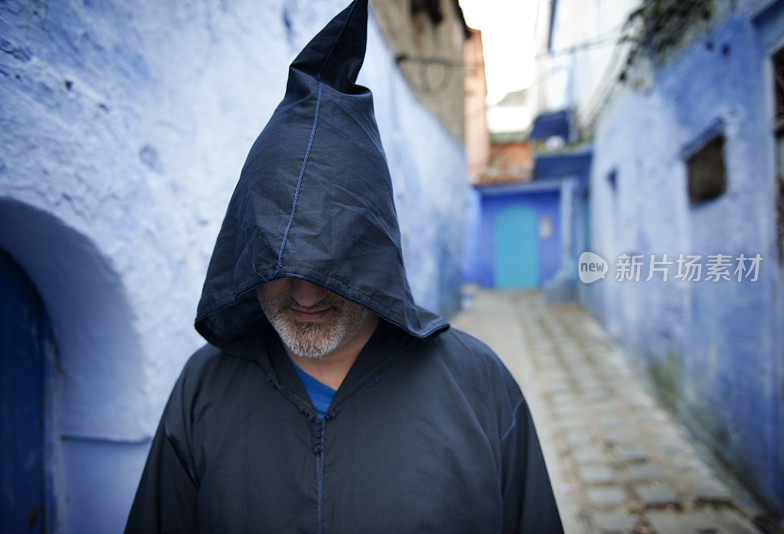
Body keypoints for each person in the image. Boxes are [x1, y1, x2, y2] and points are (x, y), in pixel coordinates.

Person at [125, 0, 563, 532]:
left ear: (375, 254)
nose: (305, 294)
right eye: (280, 262)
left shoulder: (480, 388)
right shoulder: (202, 391)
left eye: (334, 265)